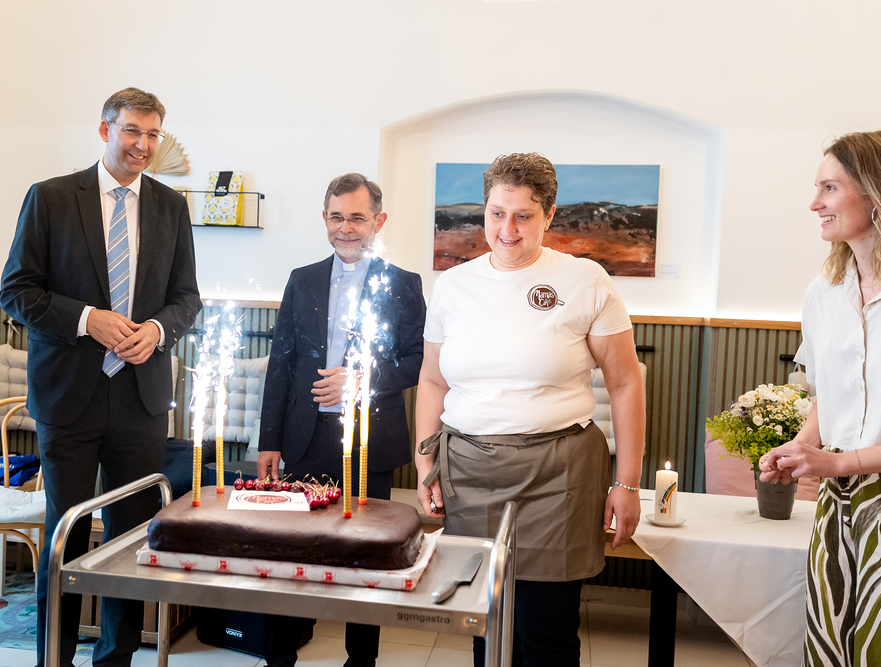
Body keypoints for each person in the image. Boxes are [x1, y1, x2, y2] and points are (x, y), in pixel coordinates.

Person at [414, 153, 645, 667]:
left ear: (550, 214)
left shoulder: (585, 280)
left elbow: (626, 382)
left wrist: (627, 485)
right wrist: (424, 461)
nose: (507, 229)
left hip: (558, 475)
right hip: (469, 472)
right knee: (484, 622)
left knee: (546, 632)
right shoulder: (452, 286)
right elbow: (432, 380)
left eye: (523, 216)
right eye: (497, 213)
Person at [0, 88, 201, 667]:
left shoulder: (171, 207)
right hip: (68, 395)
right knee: (65, 535)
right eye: (132, 130)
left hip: (141, 397)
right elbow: (16, 292)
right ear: (105, 129)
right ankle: (55, 658)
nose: (143, 144)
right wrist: (88, 319)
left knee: (132, 539)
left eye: (153, 134)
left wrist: (158, 330)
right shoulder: (51, 197)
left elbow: (187, 299)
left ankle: (116, 658)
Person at [256, 173, 426, 667]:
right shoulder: (302, 279)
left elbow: (419, 361)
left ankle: (361, 661)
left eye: (357, 218)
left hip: (371, 441)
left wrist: (361, 380)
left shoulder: (404, 284)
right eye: (336, 217)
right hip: (304, 439)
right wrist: (269, 441)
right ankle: (279, 657)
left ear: (379, 221)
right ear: (324, 219)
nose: (346, 228)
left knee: (366, 557)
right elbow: (281, 363)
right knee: (291, 552)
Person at [759, 131, 881, 666]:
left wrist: (835, 461)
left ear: (876, 193)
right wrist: (800, 445)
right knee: (831, 647)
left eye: (829, 187)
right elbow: (826, 394)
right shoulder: (823, 293)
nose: (815, 203)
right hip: (838, 502)